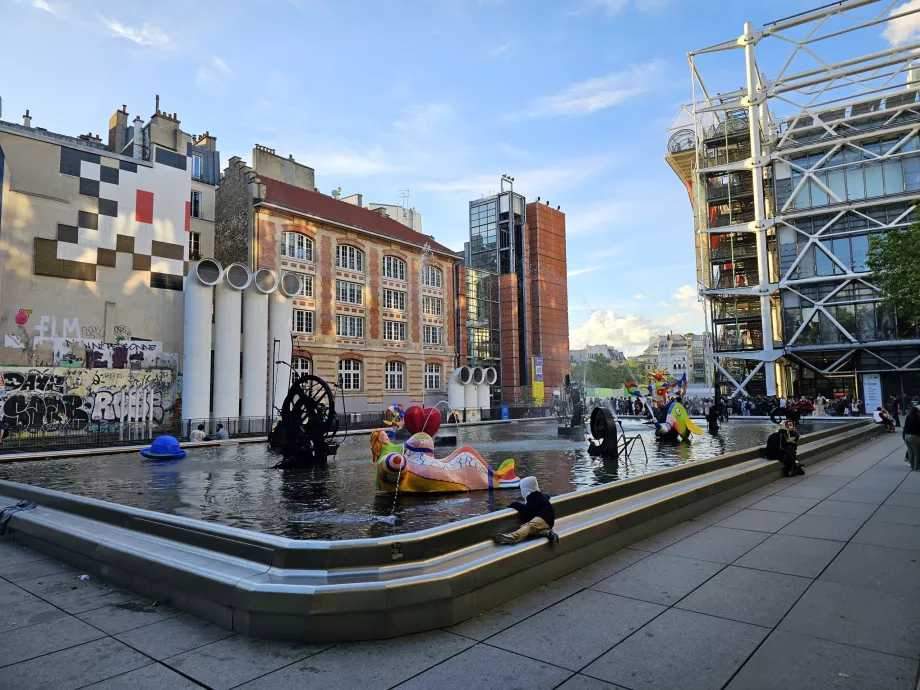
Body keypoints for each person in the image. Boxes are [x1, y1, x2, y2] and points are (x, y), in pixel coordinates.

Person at [494, 476, 559, 545]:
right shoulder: (538, 495)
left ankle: (513, 537)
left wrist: (514, 504)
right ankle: (548, 533)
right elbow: (546, 496)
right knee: (530, 531)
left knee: (528, 527)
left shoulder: (531, 497)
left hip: (544, 517)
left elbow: (527, 510)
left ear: (525, 489)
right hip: (548, 517)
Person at [903, 406, 920, 471]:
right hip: (914, 436)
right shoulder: (917, 418)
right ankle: (917, 467)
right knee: (917, 452)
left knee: (910, 452)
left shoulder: (908, 417)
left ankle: (912, 466)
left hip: (907, 436)